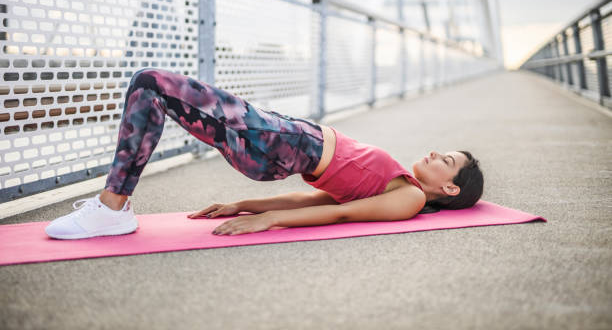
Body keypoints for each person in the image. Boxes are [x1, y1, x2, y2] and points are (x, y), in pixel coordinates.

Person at [45, 68, 484, 239]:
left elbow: (339, 215)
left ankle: (112, 207)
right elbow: (315, 198)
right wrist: (244, 204)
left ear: (448, 186)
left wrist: (268, 220)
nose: (433, 153)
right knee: (154, 94)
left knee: (151, 84)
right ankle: (114, 205)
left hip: (279, 142)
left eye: (445, 160)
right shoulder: (398, 185)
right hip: (276, 140)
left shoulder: (409, 198)